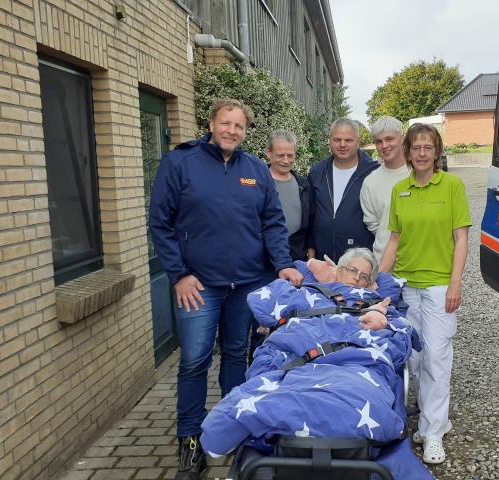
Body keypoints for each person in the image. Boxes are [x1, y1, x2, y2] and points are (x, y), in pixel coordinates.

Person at [149, 98, 303, 480]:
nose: (232, 131)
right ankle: (190, 444)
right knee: (194, 361)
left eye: (239, 126)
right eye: (225, 123)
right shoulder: (180, 163)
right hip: (198, 286)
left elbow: (272, 222)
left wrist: (282, 263)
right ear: (211, 124)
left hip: (246, 284)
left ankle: (233, 429)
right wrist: (178, 274)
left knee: (236, 354)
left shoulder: (256, 170)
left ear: (245, 131)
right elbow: (160, 224)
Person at [379, 123, 471, 465]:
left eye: (427, 147)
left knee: (436, 359)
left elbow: (461, 239)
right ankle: (436, 420)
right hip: (407, 286)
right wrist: (378, 281)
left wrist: (456, 283)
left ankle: (433, 433)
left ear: (437, 152)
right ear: (408, 152)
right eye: (415, 147)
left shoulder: (452, 186)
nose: (421, 153)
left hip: (439, 286)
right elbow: (394, 240)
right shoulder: (399, 190)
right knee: (415, 360)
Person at [308, 117, 379, 262]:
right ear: (329, 141)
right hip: (324, 261)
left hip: (360, 263)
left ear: (358, 142)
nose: (342, 144)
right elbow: (310, 217)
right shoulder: (317, 173)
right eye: (337, 140)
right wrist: (311, 258)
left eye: (348, 140)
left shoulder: (373, 173)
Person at [360, 116, 410, 261]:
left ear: (402, 139)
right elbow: (373, 225)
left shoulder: (418, 174)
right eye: (379, 141)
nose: (384, 145)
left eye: (389, 139)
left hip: (418, 260)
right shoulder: (370, 182)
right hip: (384, 261)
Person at [265, 129, 311, 261]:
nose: (286, 160)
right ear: (269, 153)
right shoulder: (258, 183)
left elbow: (311, 223)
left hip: (296, 256)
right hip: (265, 257)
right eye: (281, 155)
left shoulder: (303, 185)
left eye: (290, 155)